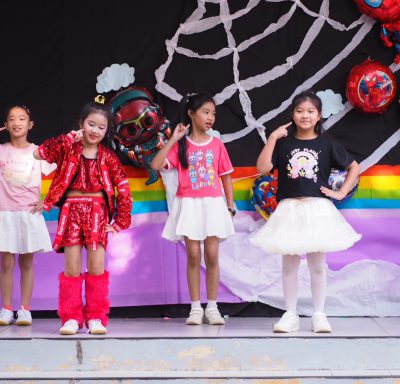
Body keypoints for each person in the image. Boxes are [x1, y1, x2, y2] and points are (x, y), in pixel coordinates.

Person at [250, 90, 361, 333]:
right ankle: (290, 314)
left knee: (317, 265)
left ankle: (319, 314)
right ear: (293, 114)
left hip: (317, 208)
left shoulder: (327, 143)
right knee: (289, 264)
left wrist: (341, 192)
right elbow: (262, 168)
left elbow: (354, 167)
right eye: (300, 111)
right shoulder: (284, 144)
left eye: (311, 111)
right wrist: (272, 138)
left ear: (319, 115)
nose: (305, 115)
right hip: (289, 209)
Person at [33, 100, 132, 335]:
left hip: (98, 213)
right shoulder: (68, 149)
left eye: (101, 127)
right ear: (81, 124)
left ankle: (96, 317)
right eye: (91, 124)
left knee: (96, 267)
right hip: (71, 211)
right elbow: (40, 153)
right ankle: (71, 318)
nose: (95, 130)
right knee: (72, 267)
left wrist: (119, 221)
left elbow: (123, 187)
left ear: (106, 131)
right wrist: (69, 138)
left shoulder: (108, 157)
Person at [151, 93, 235, 325]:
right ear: (191, 114)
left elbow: (226, 176)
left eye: (213, 113)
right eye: (205, 112)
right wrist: (173, 139)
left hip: (213, 204)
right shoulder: (181, 146)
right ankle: (196, 307)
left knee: (212, 255)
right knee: (193, 256)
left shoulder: (217, 145)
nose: (210, 118)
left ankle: (213, 307)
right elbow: (156, 164)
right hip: (189, 205)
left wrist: (229, 206)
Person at [0, 105, 54, 326]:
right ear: (6, 125)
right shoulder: (1, 150)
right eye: (12, 119)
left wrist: (48, 200)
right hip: (5, 213)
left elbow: (63, 174)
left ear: (30, 125)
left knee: (27, 262)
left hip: (28, 213)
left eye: (22, 119)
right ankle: (6, 309)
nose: (17, 123)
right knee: (6, 263)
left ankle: (25, 309)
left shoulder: (38, 152)